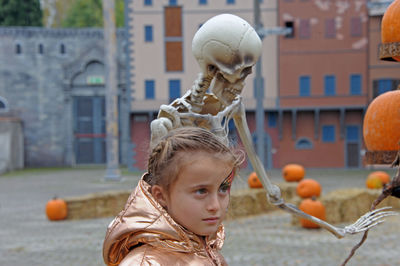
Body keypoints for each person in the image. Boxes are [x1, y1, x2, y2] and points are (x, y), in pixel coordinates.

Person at [103, 127, 243, 265]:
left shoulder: (211, 255)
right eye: (201, 191)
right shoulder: (145, 263)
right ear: (161, 196)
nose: (215, 206)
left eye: (223, 189)